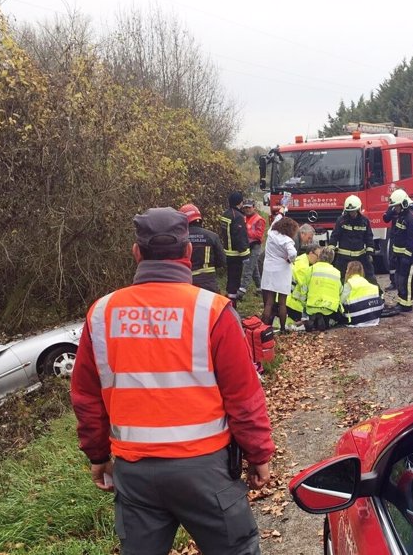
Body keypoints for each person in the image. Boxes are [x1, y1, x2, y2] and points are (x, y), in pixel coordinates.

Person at [71, 207, 274, 555]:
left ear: (137, 253)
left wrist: (97, 453)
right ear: (188, 253)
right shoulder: (213, 310)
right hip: (205, 470)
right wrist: (259, 454)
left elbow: (87, 395)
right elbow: (243, 395)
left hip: (134, 472)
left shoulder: (102, 313)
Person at [383, 189, 413, 314]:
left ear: (403, 204)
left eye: (396, 206)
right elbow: (397, 235)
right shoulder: (401, 216)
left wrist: (407, 255)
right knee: (400, 279)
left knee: (407, 280)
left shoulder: (410, 217)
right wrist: (395, 254)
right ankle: (401, 301)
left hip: (410, 256)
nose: (395, 209)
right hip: (401, 254)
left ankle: (407, 304)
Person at [329, 195, 379, 290]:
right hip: (343, 258)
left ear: (359, 209)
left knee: (369, 276)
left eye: (354, 211)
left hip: (361, 257)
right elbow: (335, 236)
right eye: (350, 211)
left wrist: (369, 253)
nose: (352, 213)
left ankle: (378, 296)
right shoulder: (341, 221)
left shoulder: (364, 221)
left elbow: (369, 237)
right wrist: (331, 250)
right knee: (341, 279)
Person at [261, 212, 299, 331]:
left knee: (269, 302)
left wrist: (281, 211)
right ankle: (282, 328)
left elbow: (276, 220)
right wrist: (289, 260)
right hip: (282, 271)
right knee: (282, 303)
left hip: (269, 269)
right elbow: (293, 253)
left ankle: (265, 328)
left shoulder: (271, 232)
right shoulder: (287, 240)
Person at [179, 203, 226, 294]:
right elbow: (222, 261)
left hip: (185, 282)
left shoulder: (179, 238)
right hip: (208, 284)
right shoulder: (212, 236)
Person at [219, 191, 250, 308]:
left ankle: (228, 298)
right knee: (235, 280)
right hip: (235, 254)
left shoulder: (225, 214)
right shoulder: (238, 216)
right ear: (239, 202)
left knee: (230, 278)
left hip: (226, 251)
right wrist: (245, 255)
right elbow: (239, 236)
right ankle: (232, 305)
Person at [304, 246, 344, 331]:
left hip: (312, 306)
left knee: (311, 311)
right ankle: (325, 320)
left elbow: (304, 288)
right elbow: (340, 291)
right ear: (332, 259)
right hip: (329, 307)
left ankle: (313, 320)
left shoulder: (311, 269)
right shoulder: (336, 273)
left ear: (319, 256)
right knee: (336, 318)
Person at [286, 246, 322, 328]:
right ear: (311, 253)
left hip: (288, 298)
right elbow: (305, 287)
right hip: (290, 302)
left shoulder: (302, 259)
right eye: (318, 256)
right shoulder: (303, 267)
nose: (318, 259)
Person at [340, 261, 384, 327]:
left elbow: (341, 300)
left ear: (348, 271)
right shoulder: (368, 283)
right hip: (374, 317)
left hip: (356, 319)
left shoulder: (349, 284)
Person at [238, 198, 266, 299]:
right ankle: (260, 288)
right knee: (254, 269)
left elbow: (259, 235)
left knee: (248, 267)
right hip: (247, 246)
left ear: (254, 207)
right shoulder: (243, 217)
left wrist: (245, 231)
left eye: (249, 208)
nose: (247, 210)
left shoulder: (259, 220)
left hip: (255, 246)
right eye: (245, 208)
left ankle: (242, 290)